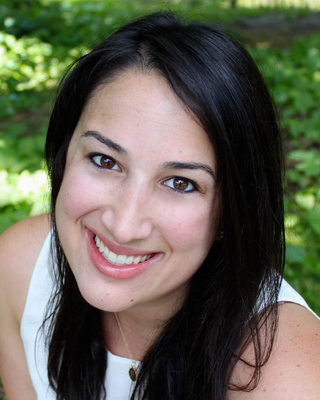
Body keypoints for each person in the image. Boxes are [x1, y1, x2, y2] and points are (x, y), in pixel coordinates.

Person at [0, 11, 319, 400]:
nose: (124, 225)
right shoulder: (19, 273)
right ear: (65, 154)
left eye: (181, 183)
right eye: (105, 160)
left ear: (230, 211)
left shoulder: (286, 377)